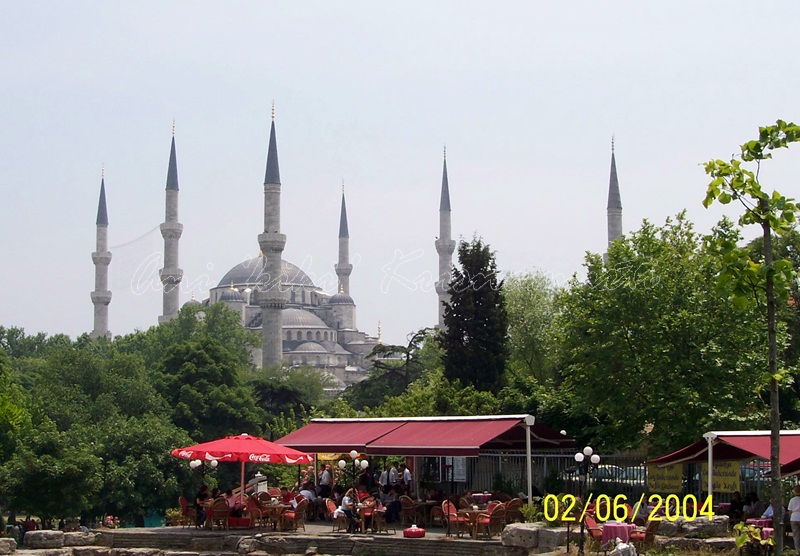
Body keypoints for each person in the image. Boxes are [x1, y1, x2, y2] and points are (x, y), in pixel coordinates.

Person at [788, 485, 800, 551]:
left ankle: (797, 550)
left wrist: (790, 519)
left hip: (794, 518)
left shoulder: (792, 500)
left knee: (796, 536)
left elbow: (790, 511)